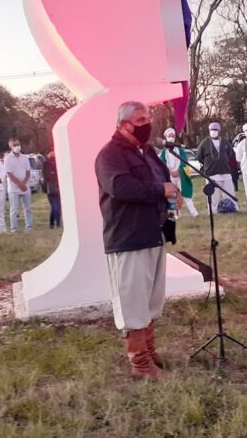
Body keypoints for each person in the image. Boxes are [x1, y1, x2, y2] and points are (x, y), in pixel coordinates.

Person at [94, 101, 176, 380]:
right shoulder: (110, 155)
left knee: (152, 299)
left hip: (154, 232)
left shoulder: (148, 152)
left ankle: (150, 350)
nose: (146, 124)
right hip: (128, 237)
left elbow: (161, 178)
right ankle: (139, 364)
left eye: (147, 118)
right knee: (133, 301)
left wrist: (168, 192)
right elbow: (120, 187)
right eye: (139, 120)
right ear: (122, 125)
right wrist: (159, 189)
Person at [197, 122, 239, 213]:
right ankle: (212, 212)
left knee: (230, 193)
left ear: (219, 131)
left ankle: (233, 209)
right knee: (213, 195)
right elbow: (199, 157)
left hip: (225, 172)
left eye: (215, 130)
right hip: (211, 174)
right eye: (212, 130)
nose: (213, 131)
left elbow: (230, 154)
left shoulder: (225, 142)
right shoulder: (204, 143)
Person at [159, 128, 198, 217]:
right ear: (166, 137)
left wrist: (179, 171)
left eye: (173, 136)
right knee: (172, 196)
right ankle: (176, 215)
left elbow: (184, 161)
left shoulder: (180, 149)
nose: (171, 138)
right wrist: (169, 171)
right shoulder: (164, 152)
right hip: (170, 177)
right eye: (169, 136)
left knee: (186, 195)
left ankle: (194, 213)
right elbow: (162, 164)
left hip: (181, 176)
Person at [4, 138, 34, 232]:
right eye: (15, 145)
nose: (17, 147)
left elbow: (28, 172)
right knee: (14, 209)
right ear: (10, 146)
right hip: (13, 188)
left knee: (28, 208)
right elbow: (9, 174)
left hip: (25, 187)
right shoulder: (8, 159)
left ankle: (29, 226)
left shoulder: (24, 158)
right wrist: (19, 184)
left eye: (18, 144)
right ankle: (14, 228)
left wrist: (24, 183)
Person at [43, 150, 63, 228]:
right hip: (51, 189)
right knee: (55, 207)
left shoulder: (58, 163)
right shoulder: (46, 164)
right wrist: (53, 174)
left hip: (58, 188)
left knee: (58, 207)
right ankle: (52, 223)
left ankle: (57, 223)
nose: (53, 155)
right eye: (51, 153)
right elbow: (47, 175)